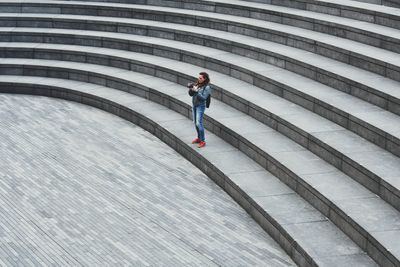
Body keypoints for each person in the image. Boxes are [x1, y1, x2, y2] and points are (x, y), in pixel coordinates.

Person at [188, 72, 211, 148]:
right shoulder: (197, 84)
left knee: (199, 123)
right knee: (195, 122)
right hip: (194, 105)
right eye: (199, 77)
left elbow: (204, 98)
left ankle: (203, 141)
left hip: (200, 106)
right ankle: (199, 138)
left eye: (201, 78)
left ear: (205, 79)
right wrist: (191, 89)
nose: (199, 79)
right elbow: (191, 94)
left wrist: (197, 91)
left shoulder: (206, 87)